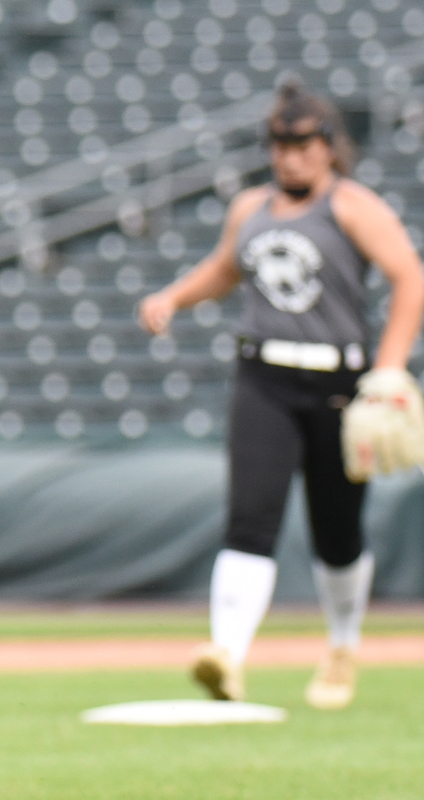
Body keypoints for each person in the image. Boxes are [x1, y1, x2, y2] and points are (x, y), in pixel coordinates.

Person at [139, 79, 423, 709]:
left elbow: (410, 276)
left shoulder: (352, 206)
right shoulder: (251, 209)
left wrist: (390, 370)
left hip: (338, 384)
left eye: (301, 143)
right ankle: (227, 656)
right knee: (250, 516)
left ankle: (342, 647)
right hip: (263, 377)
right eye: (278, 143)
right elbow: (225, 268)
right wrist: (173, 297)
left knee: (336, 530)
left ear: (327, 146)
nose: (289, 155)